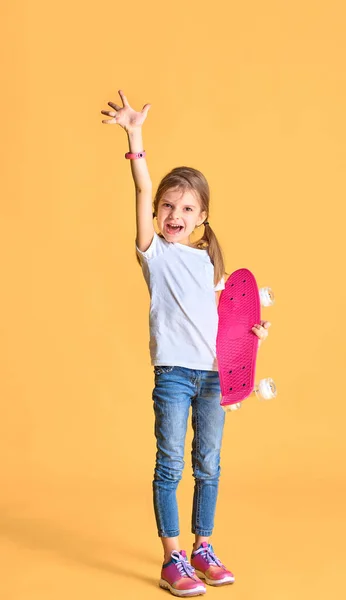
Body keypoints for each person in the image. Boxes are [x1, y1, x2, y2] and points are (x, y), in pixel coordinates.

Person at [101, 90, 270, 597]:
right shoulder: (154, 254)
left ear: (202, 216)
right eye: (168, 205)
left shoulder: (206, 264)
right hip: (174, 373)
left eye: (187, 207)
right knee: (171, 462)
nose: (175, 212)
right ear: (156, 212)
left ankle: (203, 547)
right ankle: (172, 557)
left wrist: (253, 335)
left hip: (215, 375)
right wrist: (135, 137)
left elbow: (229, 323)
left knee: (209, 464)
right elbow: (139, 187)